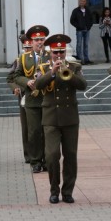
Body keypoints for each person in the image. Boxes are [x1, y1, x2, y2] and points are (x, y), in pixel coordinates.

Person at [34, 34, 87, 204]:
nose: (59, 55)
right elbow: (38, 85)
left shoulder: (74, 66)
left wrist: (69, 73)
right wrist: (52, 72)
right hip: (50, 118)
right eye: (56, 52)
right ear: (50, 52)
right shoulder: (42, 67)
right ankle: (54, 190)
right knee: (52, 155)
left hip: (70, 118)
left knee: (70, 155)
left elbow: (83, 85)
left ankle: (68, 191)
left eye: (61, 52)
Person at [13, 25, 50, 173]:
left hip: (47, 99)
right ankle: (35, 160)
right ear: (31, 41)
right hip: (32, 100)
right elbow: (16, 75)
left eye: (41, 39)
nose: (39, 42)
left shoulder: (50, 56)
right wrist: (26, 82)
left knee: (47, 131)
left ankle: (47, 159)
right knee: (34, 131)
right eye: (36, 40)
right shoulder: (23, 58)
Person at [7, 34, 33, 164]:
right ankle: (28, 155)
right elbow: (10, 78)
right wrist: (15, 87)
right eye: (25, 48)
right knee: (26, 127)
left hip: (39, 95)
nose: (27, 50)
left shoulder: (40, 59)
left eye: (29, 47)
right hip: (24, 96)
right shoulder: (19, 60)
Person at [69, 0, 95, 64]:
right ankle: (80, 59)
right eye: (81, 1)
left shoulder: (88, 10)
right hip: (79, 30)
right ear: (79, 1)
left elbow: (91, 19)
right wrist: (78, 26)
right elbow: (72, 20)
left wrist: (89, 26)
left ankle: (86, 59)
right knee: (79, 45)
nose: (82, 2)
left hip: (87, 30)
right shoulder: (75, 11)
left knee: (86, 45)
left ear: (85, 2)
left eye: (83, 1)